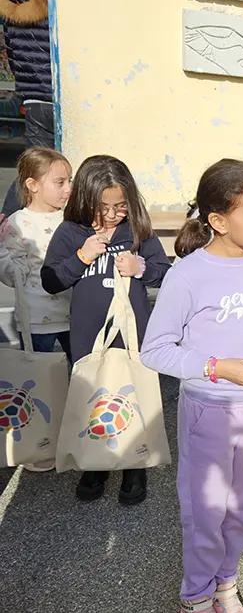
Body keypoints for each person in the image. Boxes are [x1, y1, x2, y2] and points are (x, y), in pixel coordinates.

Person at [140, 159, 243, 613]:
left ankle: (226, 581)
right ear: (219, 222)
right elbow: (155, 350)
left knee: (242, 507)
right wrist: (215, 367)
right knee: (206, 512)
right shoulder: (187, 274)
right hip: (209, 409)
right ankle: (197, 595)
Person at [41, 155, 171, 504]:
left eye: (121, 206)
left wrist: (141, 266)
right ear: (84, 199)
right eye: (104, 208)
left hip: (132, 330)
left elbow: (164, 271)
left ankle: (134, 463)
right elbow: (51, 280)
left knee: (133, 391)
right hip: (88, 332)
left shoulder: (138, 231)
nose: (113, 215)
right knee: (93, 393)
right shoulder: (71, 233)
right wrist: (81, 257)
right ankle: (95, 462)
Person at [0, 147, 71, 472]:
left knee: (79, 376)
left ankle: (74, 436)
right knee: (37, 382)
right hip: (36, 320)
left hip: (73, 315)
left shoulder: (71, 220)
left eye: (69, 181)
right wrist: (12, 265)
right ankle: (40, 443)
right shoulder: (17, 222)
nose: (68, 188)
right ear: (32, 184)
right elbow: (5, 270)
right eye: (60, 181)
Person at [0, 0, 55, 217]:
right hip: (61, 95)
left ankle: (8, 220)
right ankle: (10, 220)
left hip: (34, 97)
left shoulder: (12, 3)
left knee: (35, 169)